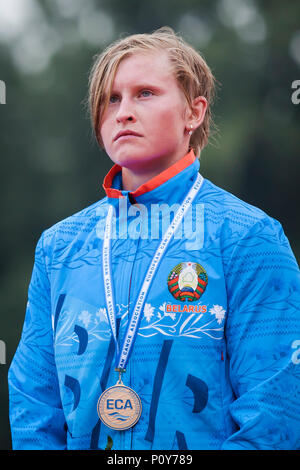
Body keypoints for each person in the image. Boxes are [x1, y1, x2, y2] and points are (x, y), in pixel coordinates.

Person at [8, 26, 300, 451]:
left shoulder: (248, 236)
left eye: (145, 93)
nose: (123, 111)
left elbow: (275, 412)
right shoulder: (58, 246)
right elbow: (33, 401)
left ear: (193, 113)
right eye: (111, 98)